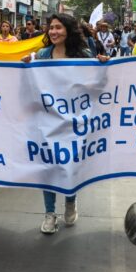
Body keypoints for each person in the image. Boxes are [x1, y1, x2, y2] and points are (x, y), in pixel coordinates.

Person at [21, 13, 109, 235]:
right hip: (47, 121)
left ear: (68, 31)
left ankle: (70, 200)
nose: (54, 32)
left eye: (59, 27)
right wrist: (25, 67)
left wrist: (102, 67)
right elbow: (29, 84)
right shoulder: (41, 55)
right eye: (51, 28)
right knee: (48, 167)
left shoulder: (83, 55)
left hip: (74, 122)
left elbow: (97, 87)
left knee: (69, 166)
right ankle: (50, 214)